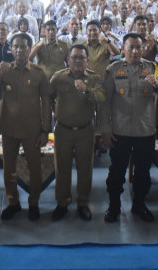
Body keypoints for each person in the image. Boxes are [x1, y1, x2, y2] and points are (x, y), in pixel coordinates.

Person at [98, 35, 158, 223]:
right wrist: (105, 130)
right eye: (131, 47)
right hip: (119, 131)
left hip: (144, 131)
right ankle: (114, 206)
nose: (135, 51)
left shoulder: (153, 68)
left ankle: (139, 204)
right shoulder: (112, 69)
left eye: (138, 47)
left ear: (143, 47)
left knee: (143, 173)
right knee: (116, 172)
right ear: (123, 48)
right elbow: (105, 102)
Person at [0, 32, 51, 221]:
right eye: (15, 46)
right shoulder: (5, 70)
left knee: (35, 168)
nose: (19, 50)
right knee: (9, 169)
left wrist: (45, 129)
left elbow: (46, 102)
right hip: (8, 129)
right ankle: (12, 202)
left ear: (30, 49)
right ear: (10, 49)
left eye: (23, 46)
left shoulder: (39, 73)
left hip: (32, 130)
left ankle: (33, 203)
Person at [48, 44, 105, 221]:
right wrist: (55, 115)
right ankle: (62, 202)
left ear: (87, 61)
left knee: (84, 169)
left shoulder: (94, 78)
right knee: (62, 168)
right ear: (68, 60)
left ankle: (83, 203)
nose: (78, 61)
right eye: (74, 57)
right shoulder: (58, 77)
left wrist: (86, 89)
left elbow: (102, 98)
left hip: (85, 130)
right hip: (63, 129)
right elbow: (48, 96)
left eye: (82, 58)